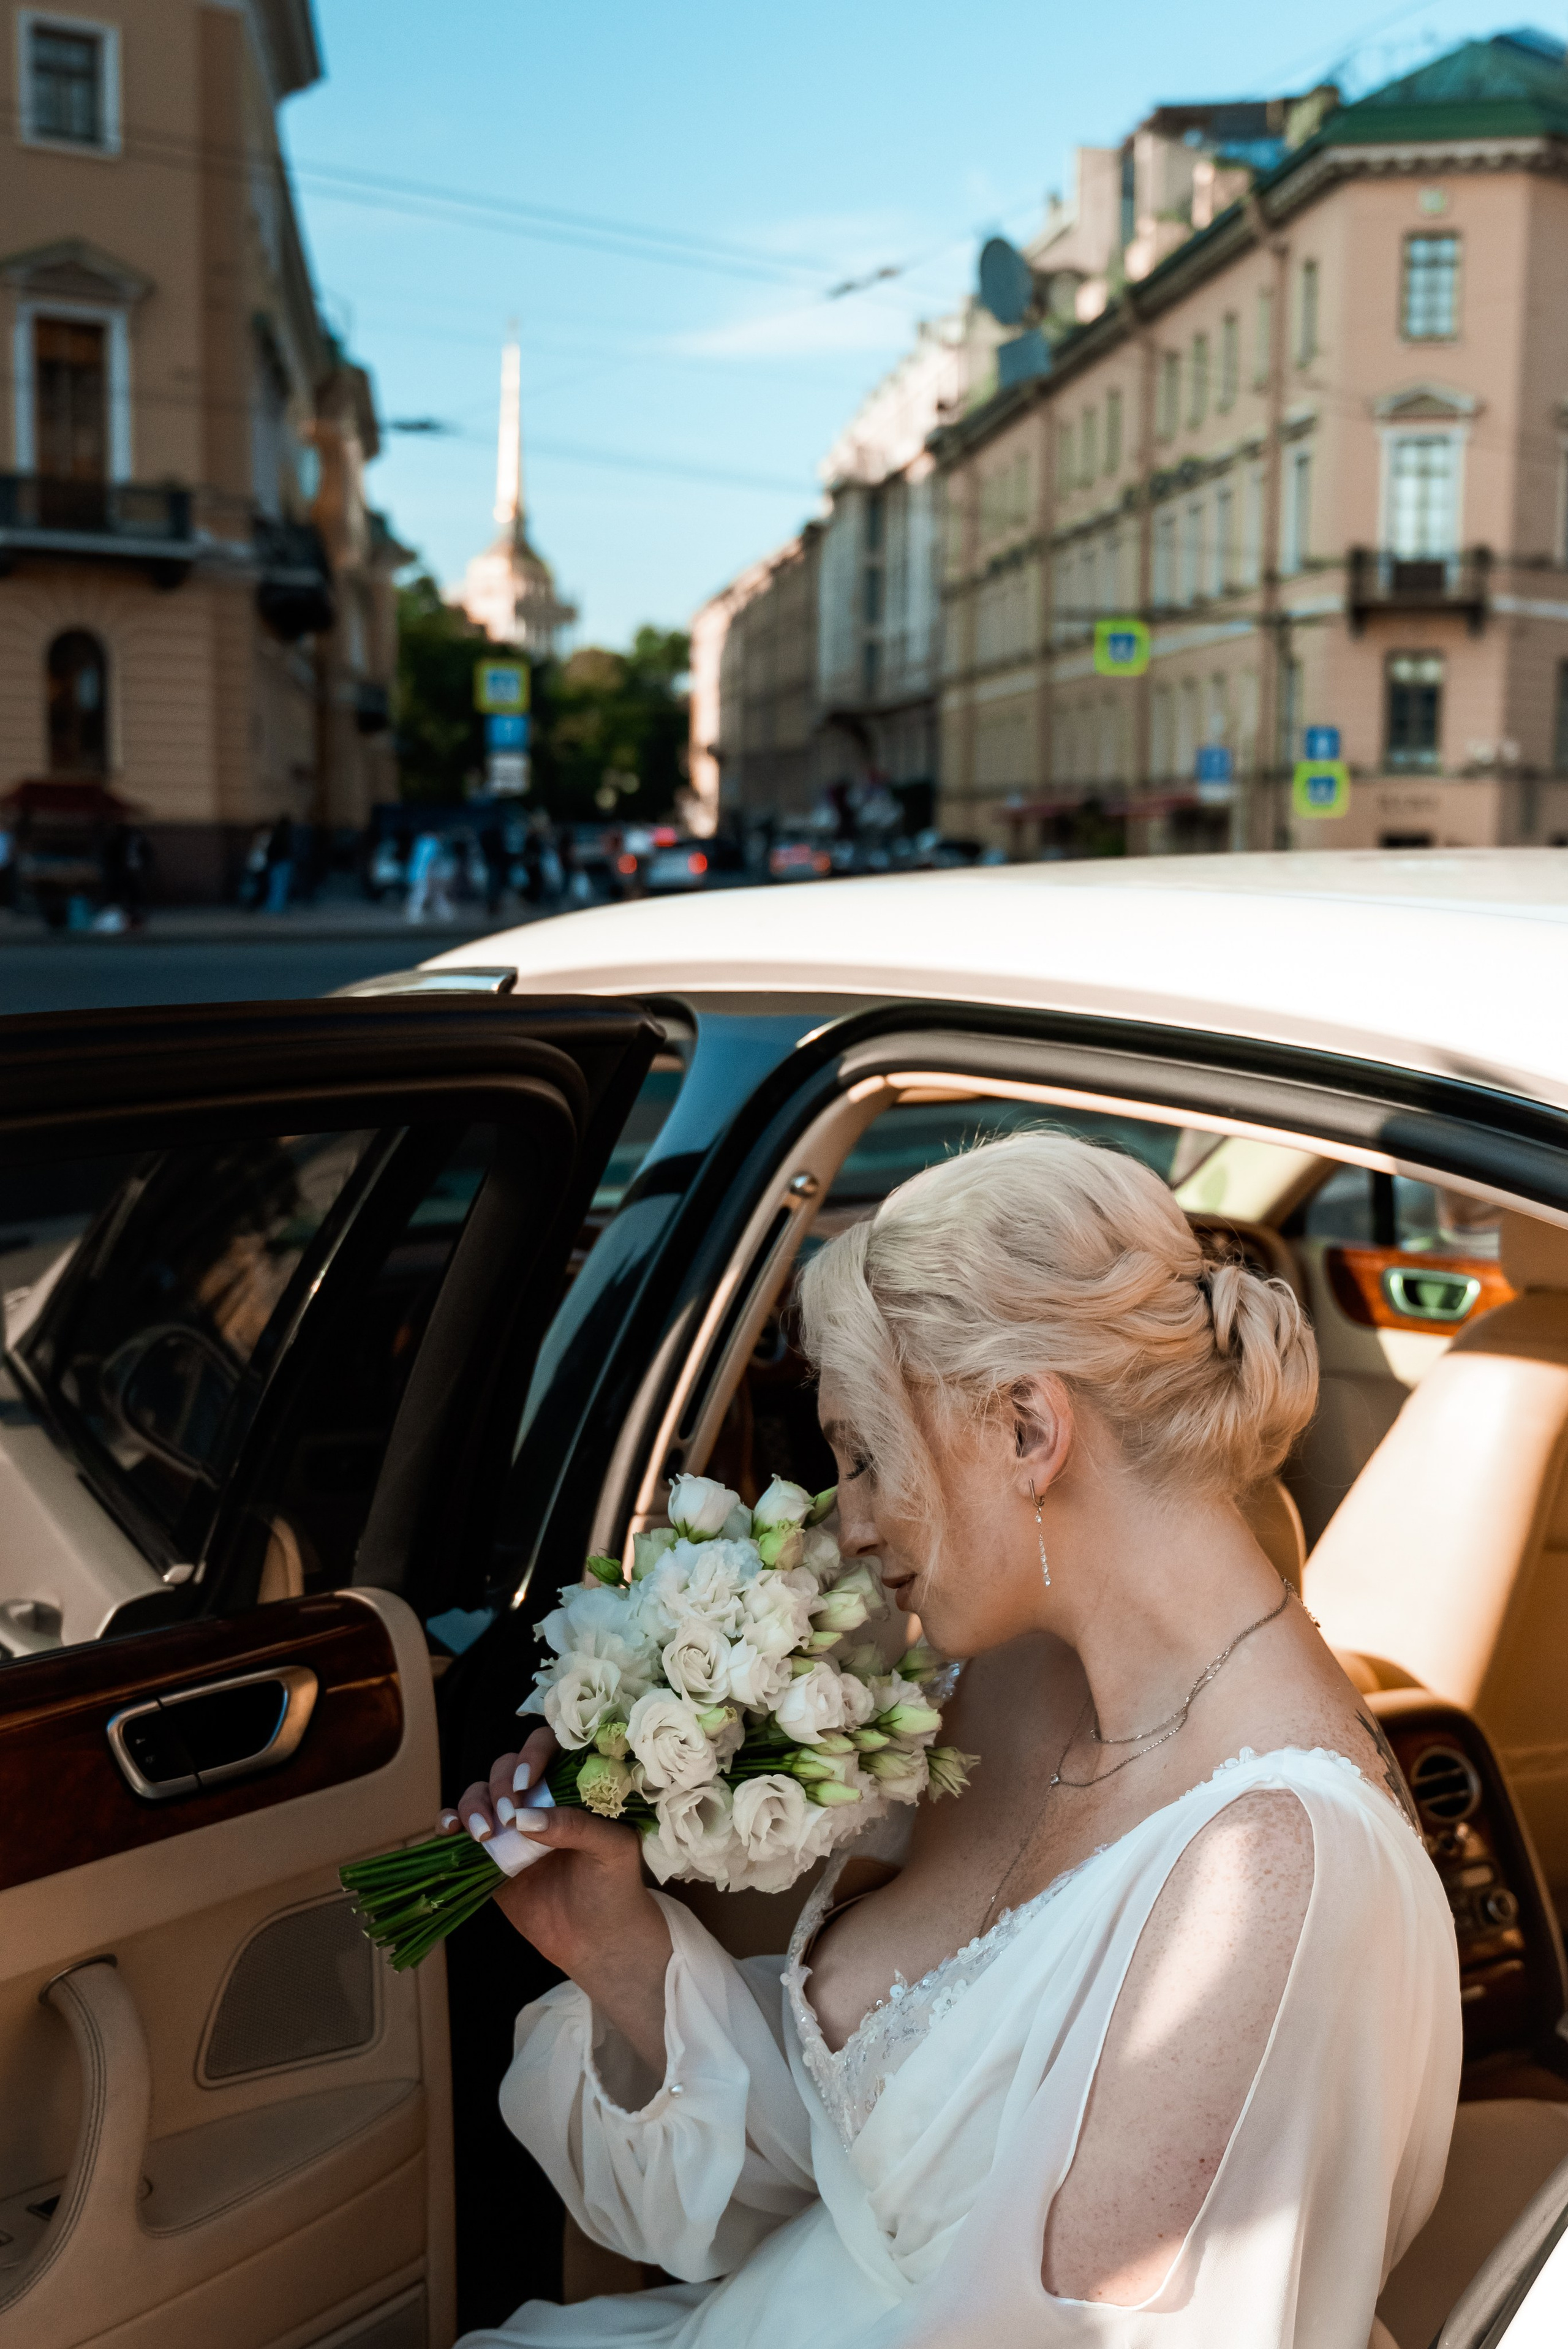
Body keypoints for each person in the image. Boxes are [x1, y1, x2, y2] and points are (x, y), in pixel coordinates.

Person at [451, 1134, 1462, 2349]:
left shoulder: (1275, 1872)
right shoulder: (1003, 1682)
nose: (851, 1521)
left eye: (865, 1456)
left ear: (1029, 1428)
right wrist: (611, 1942)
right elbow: (878, 2161)